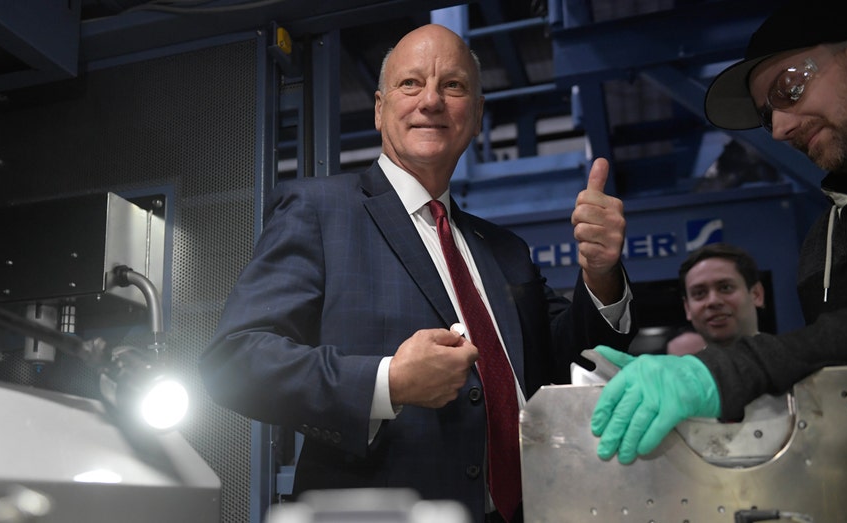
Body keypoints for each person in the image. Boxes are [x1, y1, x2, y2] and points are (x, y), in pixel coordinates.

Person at [199, 24, 636, 523]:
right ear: (381, 109)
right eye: (411, 84)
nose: (431, 100)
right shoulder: (319, 211)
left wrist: (601, 276)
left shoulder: (505, 249)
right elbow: (234, 362)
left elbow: (572, 362)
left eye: (453, 86)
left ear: (476, 117)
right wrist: (388, 383)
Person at [590, 0, 847, 466]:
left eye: (791, 86)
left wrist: (721, 372)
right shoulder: (824, 239)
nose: (780, 129)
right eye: (767, 115)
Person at [678, 243, 764, 351]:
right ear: (688, 308)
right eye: (699, 293)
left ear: (756, 294)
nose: (713, 301)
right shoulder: (688, 368)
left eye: (726, 288)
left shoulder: (789, 360)